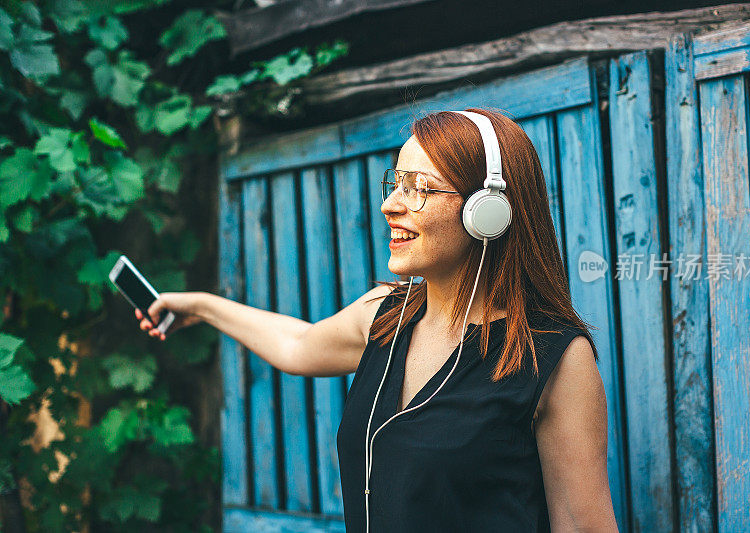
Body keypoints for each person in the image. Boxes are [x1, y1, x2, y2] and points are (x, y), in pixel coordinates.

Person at [135, 108, 618, 531]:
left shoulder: (553, 357)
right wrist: (200, 306)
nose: (391, 205)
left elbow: (584, 526)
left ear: (486, 212)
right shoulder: (384, 317)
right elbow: (298, 345)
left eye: (420, 189)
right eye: (396, 185)